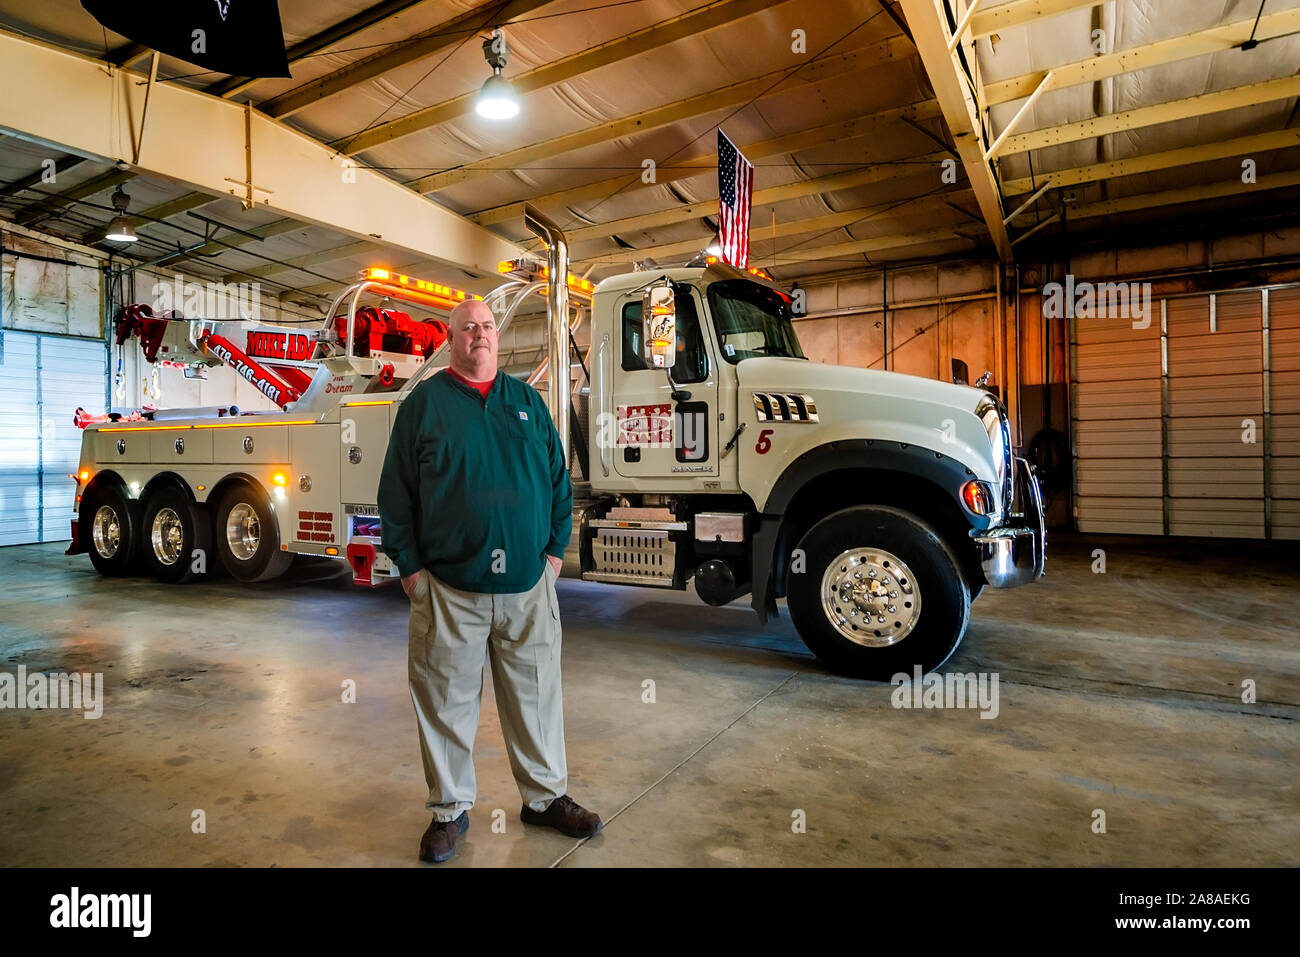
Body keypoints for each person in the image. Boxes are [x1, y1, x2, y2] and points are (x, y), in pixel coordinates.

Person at [378, 298, 602, 864]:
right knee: (446, 702)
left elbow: (558, 480)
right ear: (451, 340)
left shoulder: (526, 402)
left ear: (497, 340)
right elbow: (396, 494)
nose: (478, 335)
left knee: (536, 696)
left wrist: (554, 554)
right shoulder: (424, 407)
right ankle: (449, 811)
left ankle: (545, 799)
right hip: (449, 590)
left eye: (486, 327)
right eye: (467, 329)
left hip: (528, 587)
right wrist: (410, 570)